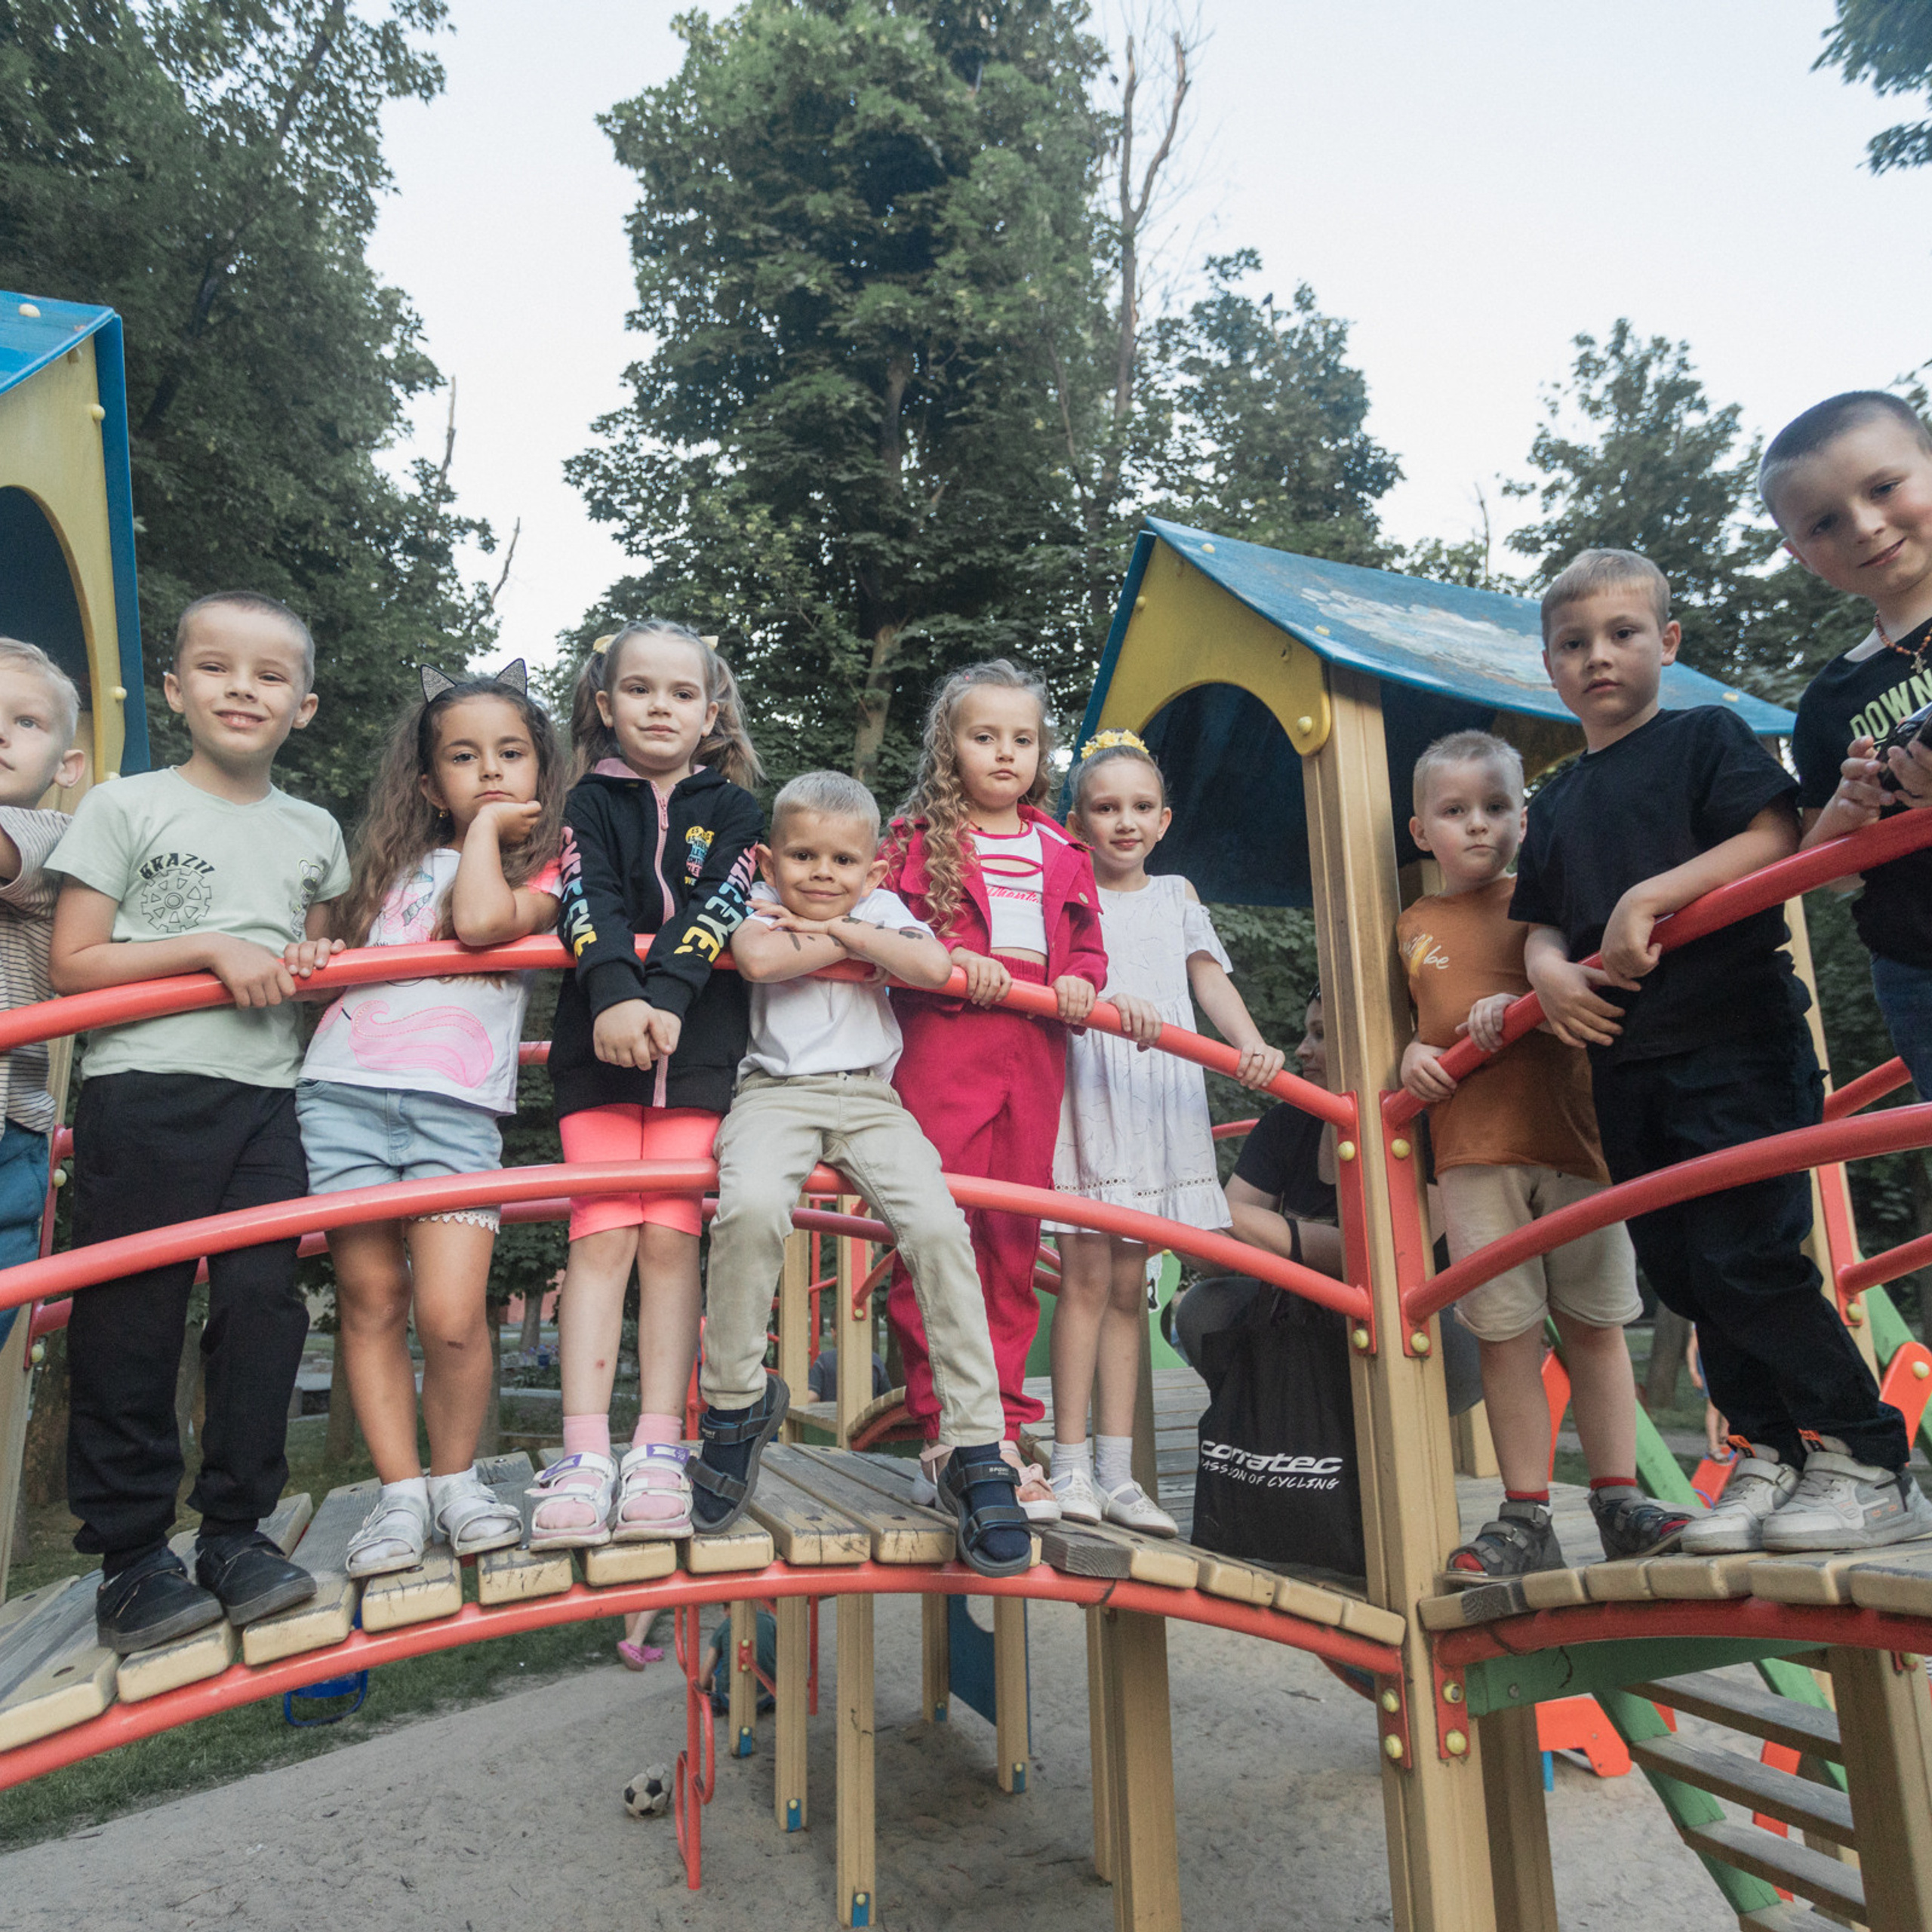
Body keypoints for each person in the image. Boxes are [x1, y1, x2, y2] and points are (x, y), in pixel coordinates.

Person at [1512, 548, 1925, 1555]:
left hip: (1735, 1039)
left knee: (1748, 1252)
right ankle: (1771, 1453)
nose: (1597, 658)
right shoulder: (1558, 798)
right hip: (1629, 1061)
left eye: (1621, 635)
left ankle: (1867, 1455)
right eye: (1573, 644)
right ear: (1549, 665)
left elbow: (1775, 838)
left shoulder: (1704, 737)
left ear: (1669, 641)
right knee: (1686, 1274)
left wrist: (1649, 897)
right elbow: (1537, 919)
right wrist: (1547, 970)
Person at [48, 590, 349, 1652]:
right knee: (131, 1314)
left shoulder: (314, 830)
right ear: (176, 690)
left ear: (303, 707)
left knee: (266, 1309)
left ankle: (237, 1532)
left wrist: (310, 966)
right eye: (217, 668)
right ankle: (133, 1559)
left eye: (270, 676)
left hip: (268, 1101)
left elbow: (310, 972)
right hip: (145, 1090)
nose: (242, 689)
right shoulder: (126, 806)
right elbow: (72, 963)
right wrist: (211, 948)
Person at [693, 771, 1031, 1574]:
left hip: (871, 1100)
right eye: (802, 856)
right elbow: (759, 959)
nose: (820, 874)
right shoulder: (756, 903)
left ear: (873, 871)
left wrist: (846, 933)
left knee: (941, 1228)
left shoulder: (878, 908)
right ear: (769, 862)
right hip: (774, 1091)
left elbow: (933, 966)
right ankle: (735, 1405)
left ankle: (975, 1443)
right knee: (745, 1209)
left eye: (841, 861)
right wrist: (854, 940)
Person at [294, 663, 564, 1576]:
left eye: (510, 753)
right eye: (463, 756)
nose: (489, 770)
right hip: (343, 1095)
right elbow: (318, 945)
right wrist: (317, 942)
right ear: (424, 782)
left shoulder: (554, 868)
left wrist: (488, 829)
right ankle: (400, 1495)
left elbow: (485, 922)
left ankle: (457, 1481)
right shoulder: (383, 867)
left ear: (542, 768)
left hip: (456, 1112)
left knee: (452, 1316)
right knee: (371, 1303)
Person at [1398, 729, 1687, 1575]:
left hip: (1573, 1140)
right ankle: (1525, 1512)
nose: (1477, 826)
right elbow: (1411, 1030)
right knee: (1504, 1333)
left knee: (1596, 1325)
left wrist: (1517, 999)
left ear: (1523, 820)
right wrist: (1412, 1058)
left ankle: (1618, 1494)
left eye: (1495, 807)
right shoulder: (1412, 923)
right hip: (1473, 1150)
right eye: (1454, 812)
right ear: (1422, 832)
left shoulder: (1550, 899)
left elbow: (1587, 985)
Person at [527, 623, 763, 1549]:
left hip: (698, 1039)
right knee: (600, 1235)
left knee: (669, 1240)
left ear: (712, 714)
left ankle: (661, 1446)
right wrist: (617, 998)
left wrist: (665, 995)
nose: (659, 707)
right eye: (639, 690)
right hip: (596, 1041)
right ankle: (584, 1453)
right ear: (604, 704)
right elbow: (588, 898)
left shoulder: (738, 809)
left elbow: (724, 902)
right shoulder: (581, 800)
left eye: (680, 693)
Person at [879, 660, 1107, 1524]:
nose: (1006, 753)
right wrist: (945, 961)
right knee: (936, 1235)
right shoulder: (915, 837)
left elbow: (1085, 947)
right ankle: (946, 1430)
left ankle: (1005, 1433)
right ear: (951, 747)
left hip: (1033, 1054)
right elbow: (889, 934)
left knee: (1011, 1244)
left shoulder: (1060, 847)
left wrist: (1083, 980)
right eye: (984, 737)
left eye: (1023, 738)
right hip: (945, 1047)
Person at [1044, 731, 1283, 1536]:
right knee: (1083, 1280)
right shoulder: (1069, 889)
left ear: (1164, 818)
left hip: (1160, 1097)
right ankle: (1068, 1461)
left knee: (1130, 1289)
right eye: (1105, 808)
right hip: (1096, 1089)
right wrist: (1107, 994)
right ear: (1077, 822)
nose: (1124, 822)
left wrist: (1248, 1041)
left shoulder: (1176, 894)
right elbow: (1063, 975)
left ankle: (1117, 1470)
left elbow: (1205, 974)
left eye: (1140, 807)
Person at [1766, 393, 1932, 1099]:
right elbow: (1824, 871)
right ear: (1797, 553)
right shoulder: (1828, 705)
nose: (1865, 526)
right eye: (1825, 522)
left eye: (1884, 487)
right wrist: (1849, 810)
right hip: (1920, 969)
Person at [0, 639, 86, 1355]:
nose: (0, 733)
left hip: (8, 1133)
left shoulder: (55, 838)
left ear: (68, 767)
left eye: (25, 721)